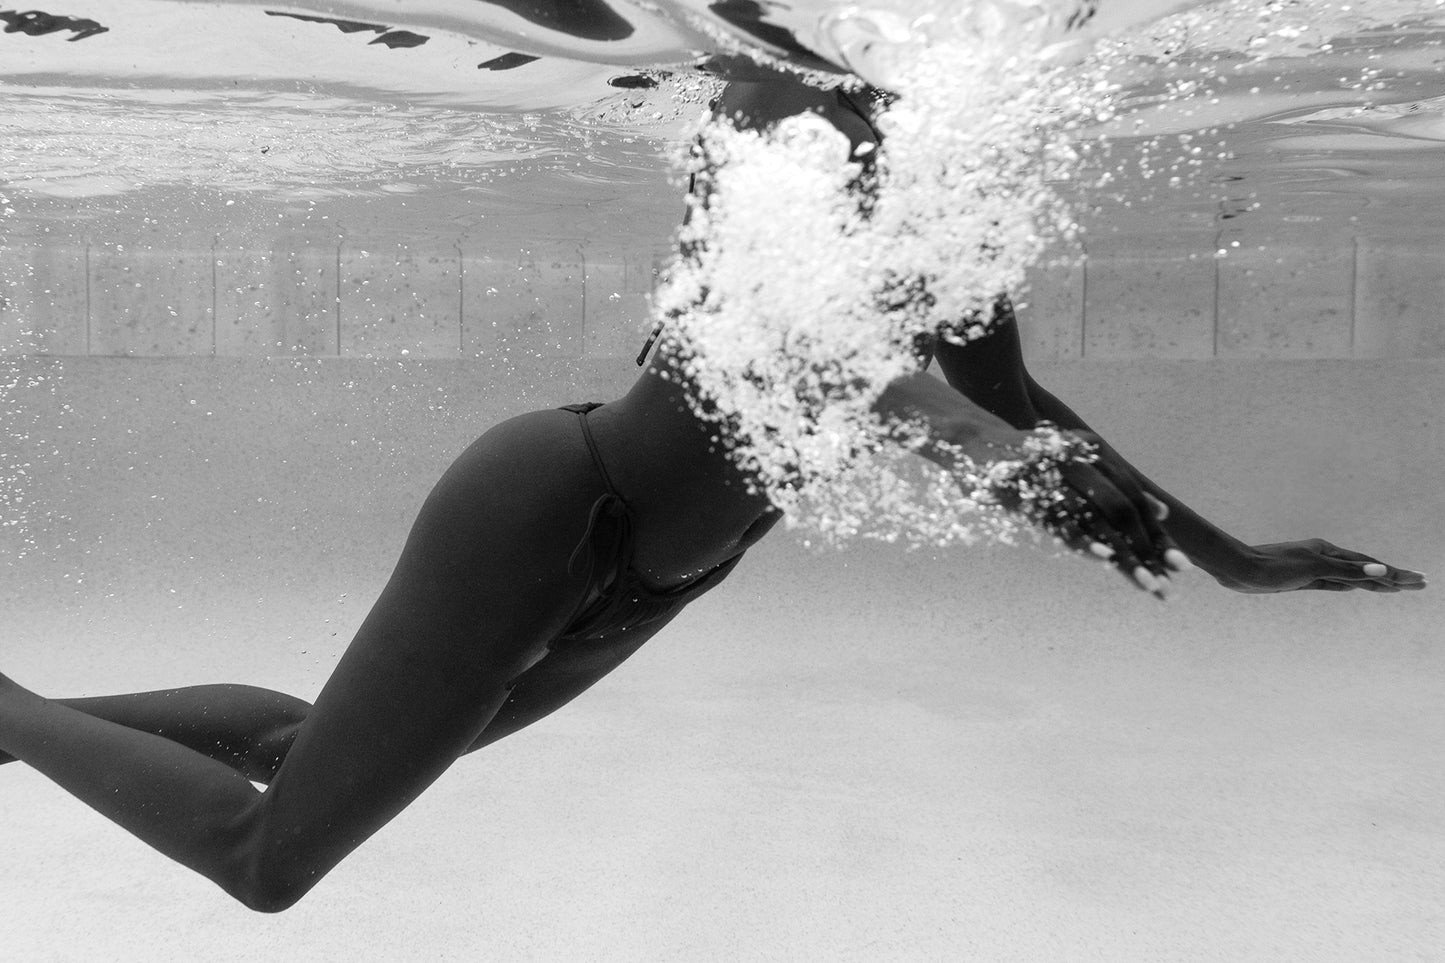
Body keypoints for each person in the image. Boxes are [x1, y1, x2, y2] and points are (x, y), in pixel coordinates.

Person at [0, 66, 1424, 915]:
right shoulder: (776, 116)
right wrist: (996, 462)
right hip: (557, 506)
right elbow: (791, 353)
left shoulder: (961, 174)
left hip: (663, 573)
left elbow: (1001, 402)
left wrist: (1227, 556)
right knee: (269, 859)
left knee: (298, 747)